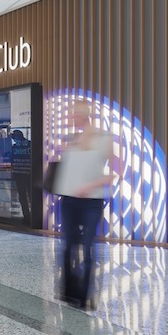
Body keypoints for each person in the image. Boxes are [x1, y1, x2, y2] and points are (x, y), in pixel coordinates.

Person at [55, 110, 115, 309]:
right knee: (68, 246)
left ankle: (84, 295)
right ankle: (68, 290)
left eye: (76, 114)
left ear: (85, 115)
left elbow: (115, 173)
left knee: (88, 247)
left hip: (91, 201)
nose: (74, 118)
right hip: (69, 199)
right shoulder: (70, 141)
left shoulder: (103, 139)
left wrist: (90, 186)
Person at [10, 129, 35, 227]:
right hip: (29, 173)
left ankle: (27, 216)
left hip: (19, 174)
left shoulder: (15, 147)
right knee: (30, 195)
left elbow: (12, 160)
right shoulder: (30, 144)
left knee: (23, 196)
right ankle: (33, 215)